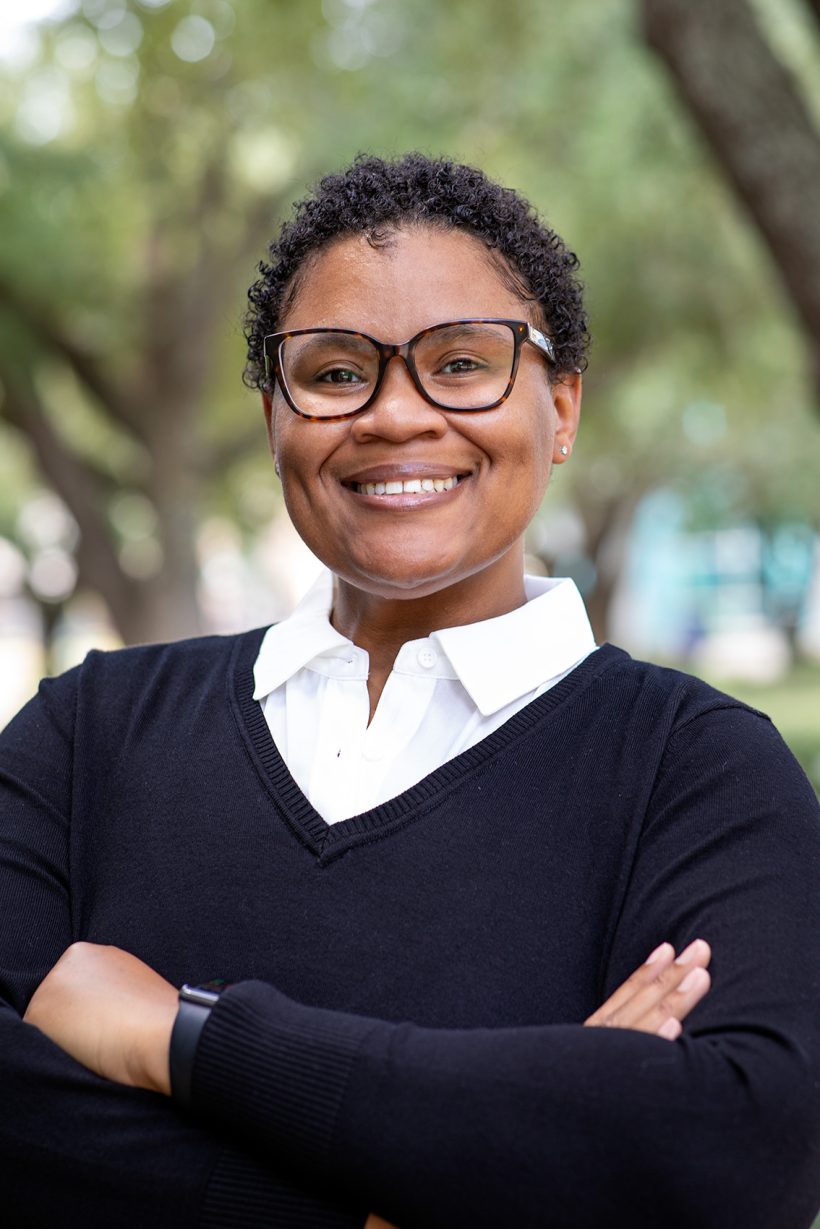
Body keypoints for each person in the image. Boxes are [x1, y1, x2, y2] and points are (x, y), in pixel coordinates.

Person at [3, 153, 820, 1229]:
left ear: (561, 405)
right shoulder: (92, 731)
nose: (395, 415)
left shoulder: (694, 767)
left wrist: (182, 1037)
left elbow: (740, 1151)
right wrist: (464, 1175)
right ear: (273, 415)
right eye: (337, 371)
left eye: (462, 362)